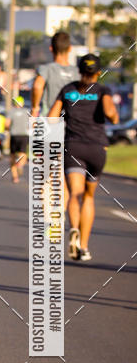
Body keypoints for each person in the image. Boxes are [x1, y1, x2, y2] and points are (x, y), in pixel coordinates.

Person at [48, 53, 118, 262]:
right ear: (98, 72)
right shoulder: (102, 90)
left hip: (73, 148)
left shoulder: (68, 90)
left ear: (79, 70)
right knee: (88, 196)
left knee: (74, 194)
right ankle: (84, 246)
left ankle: (74, 229)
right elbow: (111, 114)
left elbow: (51, 118)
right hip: (97, 149)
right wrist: (111, 114)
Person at [31, 31, 78, 117]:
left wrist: (35, 108)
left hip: (49, 118)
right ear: (70, 48)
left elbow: (37, 86)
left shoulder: (46, 69)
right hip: (72, 119)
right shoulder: (77, 72)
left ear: (51, 48)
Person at [6, 96, 30, 183]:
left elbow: (7, 124)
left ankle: (15, 177)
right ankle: (20, 165)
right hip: (24, 135)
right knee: (23, 153)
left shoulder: (11, 111)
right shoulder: (27, 111)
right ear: (22, 103)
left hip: (14, 135)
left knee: (12, 155)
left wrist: (8, 129)